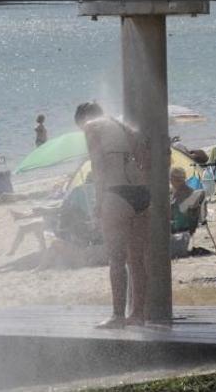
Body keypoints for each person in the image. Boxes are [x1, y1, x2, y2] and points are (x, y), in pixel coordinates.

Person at [76, 102, 151, 328]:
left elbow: (98, 167)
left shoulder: (91, 126)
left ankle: (118, 316)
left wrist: (99, 203)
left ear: (82, 119)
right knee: (136, 260)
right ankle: (138, 315)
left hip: (116, 193)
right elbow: (145, 159)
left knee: (116, 260)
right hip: (141, 194)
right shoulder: (122, 126)